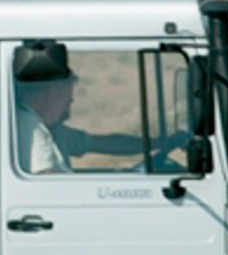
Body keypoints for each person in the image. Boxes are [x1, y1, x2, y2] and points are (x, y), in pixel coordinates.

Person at [13, 40, 178, 173]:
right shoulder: (29, 126)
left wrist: (159, 143)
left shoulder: (54, 130)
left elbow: (104, 143)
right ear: (49, 94)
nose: (71, 101)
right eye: (66, 96)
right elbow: (46, 179)